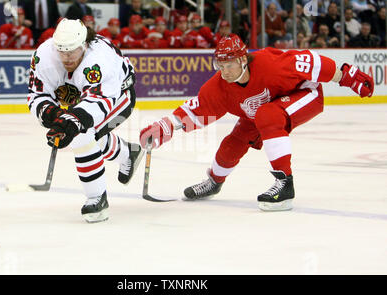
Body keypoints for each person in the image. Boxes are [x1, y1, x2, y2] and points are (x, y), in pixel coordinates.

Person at [139, 35, 374, 212]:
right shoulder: (218, 87)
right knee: (234, 142)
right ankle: (214, 181)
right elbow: (196, 109)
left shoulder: (272, 63)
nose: (224, 71)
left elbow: (313, 62)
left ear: (243, 59)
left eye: (229, 64)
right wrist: (165, 126)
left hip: (304, 94)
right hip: (263, 110)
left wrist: (348, 76)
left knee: (267, 115)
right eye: (220, 65)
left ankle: (285, 184)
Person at [27, 18, 143, 223]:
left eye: (72, 51)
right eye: (62, 51)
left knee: (81, 134)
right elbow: (37, 95)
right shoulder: (43, 56)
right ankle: (128, 153)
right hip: (81, 96)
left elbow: (98, 102)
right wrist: (53, 116)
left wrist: (71, 122)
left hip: (119, 95)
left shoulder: (99, 60)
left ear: (85, 44)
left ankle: (97, 198)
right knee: (86, 134)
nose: (67, 57)